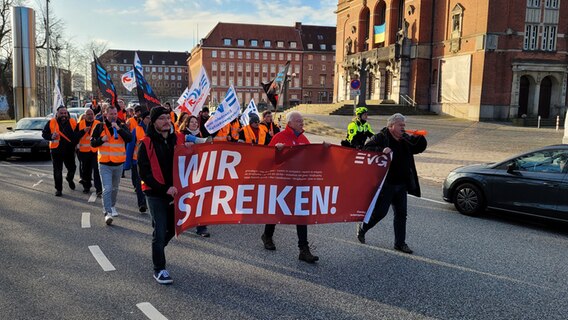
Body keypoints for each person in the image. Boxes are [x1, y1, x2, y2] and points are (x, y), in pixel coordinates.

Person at [356, 113, 427, 254]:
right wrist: (381, 150)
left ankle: (400, 243)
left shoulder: (405, 138)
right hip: (386, 183)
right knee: (380, 213)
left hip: (402, 184)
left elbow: (417, 148)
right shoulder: (381, 137)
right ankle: (363, 228)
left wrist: (421, 138)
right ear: (391, 126)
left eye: (404, 125)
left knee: (401, 214)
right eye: (401, 125)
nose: (403, 127)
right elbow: (365, 150)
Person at [261, 111, 319, 263]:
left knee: (301, 214)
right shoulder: (279, 138)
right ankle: (267, 235)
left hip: (299, 184)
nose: (302, 123)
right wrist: (277, 151)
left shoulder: (304, 139)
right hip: (282, 183)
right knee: (276, 211)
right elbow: (268, 159)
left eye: (302, 120)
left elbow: (312, 159)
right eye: (299, 121)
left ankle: (304, 250)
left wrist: (324, 150)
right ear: (290, 123)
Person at [137, 107, 187, 284]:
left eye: (168, 118)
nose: (166, 121)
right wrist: (163, 188)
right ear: (153, 122)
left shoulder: (176, 140)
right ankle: (159, 269)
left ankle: (158, 248)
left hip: (176, 192)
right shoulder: (146, 143)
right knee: (159, 230)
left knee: (175, 226)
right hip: (155, 193)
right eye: (161, 118)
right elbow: (144, 173)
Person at [90, 104, 133, 225]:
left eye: (115, 114)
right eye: (111, 114)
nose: (113, 116)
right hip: (104, 163)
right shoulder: (99, 126)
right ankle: (107, 212)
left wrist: (118, 129)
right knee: (107, 188)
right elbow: (92, 143)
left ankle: (112, 206)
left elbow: (129, 139)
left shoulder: (122, 126)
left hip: (118, 163)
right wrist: (100, 140)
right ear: (106, 114)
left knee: (115, 188)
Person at [181, 115, 213, 236]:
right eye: (192, 122)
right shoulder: (181, 135)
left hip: (199, 170)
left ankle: (201, 227)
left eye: (196, 122)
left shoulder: (201, 135)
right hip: (185, 171)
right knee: (186, 197)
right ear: (187, 124)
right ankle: (183, 220)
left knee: (201, 197)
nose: (194, 124)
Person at [42, 106, 78, 196]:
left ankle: (69, 179)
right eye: (61, 113)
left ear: (67, 114)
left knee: (72, 168)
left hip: (69, 150)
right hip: (56, 151)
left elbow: (78, 134)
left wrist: (77, 144)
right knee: (57, 171)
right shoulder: (51, 122)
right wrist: (51, 136)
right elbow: (44, 134)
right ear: (57, 114)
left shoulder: (73, 122)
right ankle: (58, 189)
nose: (63, 115)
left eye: (65, 113)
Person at [75, 109, 102, 195]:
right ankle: (86, 187)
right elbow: (75, 136)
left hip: (95, 151)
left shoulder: (99, 123)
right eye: (88, 114)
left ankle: (99, 189)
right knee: (85, 170)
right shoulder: (80, 124)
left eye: (91, 114)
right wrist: (83, 131)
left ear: (94, 115)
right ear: (85, 115)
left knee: (97, 171)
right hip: (84, 151)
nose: (90, 116)